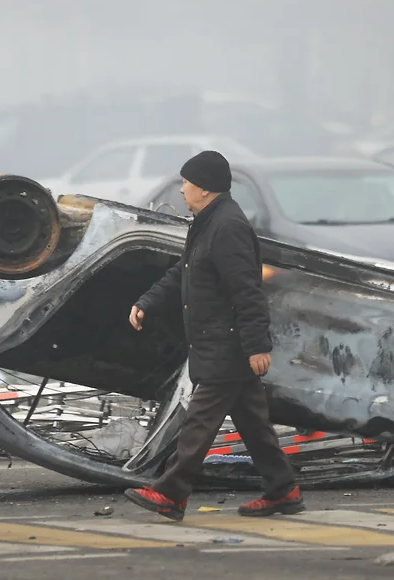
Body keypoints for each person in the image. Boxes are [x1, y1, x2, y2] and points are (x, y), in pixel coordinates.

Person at [123, 150, 303, 521]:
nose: (182, 191)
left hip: (229, 344)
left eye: (186, 183)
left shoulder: (227, 227)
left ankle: (171, 493)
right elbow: (182, 273)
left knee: (199, 423)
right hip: (218, 341)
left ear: (204, 189)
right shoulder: (207, 222)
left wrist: (257, 346)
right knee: (254, 425)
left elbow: (247, 289)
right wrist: (147, 301)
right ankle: (284, 490)